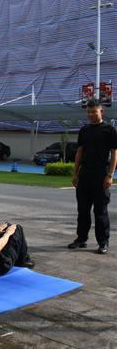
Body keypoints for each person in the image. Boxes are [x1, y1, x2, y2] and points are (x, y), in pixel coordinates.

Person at [69, 100, 117, 254]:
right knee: (82, 209)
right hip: (85, 173)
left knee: (100, 211)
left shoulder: (109, 130)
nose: (90, 115)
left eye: (93, 112)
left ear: (101, 111)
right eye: (88, 112)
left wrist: (110, 175)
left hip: (101, 173)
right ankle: (81, 239)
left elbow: (115, 153)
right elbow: (79, 152)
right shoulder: (84, 130)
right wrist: (75, 172)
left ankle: (103, 242)